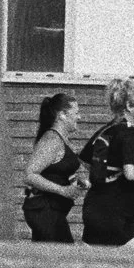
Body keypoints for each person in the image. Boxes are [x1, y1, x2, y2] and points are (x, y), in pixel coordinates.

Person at [79, 77, 134, 248]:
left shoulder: (105, 130)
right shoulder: (133, 134)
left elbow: (86, 161)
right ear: (129, 105)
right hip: (118, 215)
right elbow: (131, 172)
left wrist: (108, 176)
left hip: (93, 211)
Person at [21, 91, 89, 243]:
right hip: (44, 210)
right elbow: (29, 175)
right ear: (62, 115)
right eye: (76, 113)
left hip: (51, 211)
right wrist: (63, 190)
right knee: (63, 258)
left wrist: (76, 182)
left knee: (47, 261)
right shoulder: (52, 140)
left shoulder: (60, 140)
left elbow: (56, 171)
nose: (79, 117)